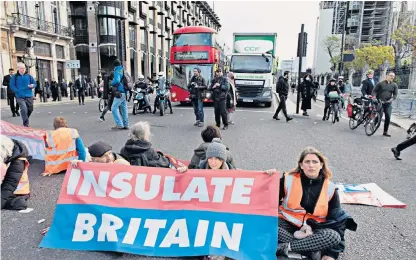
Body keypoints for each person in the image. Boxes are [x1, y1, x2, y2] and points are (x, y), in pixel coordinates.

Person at [275, 147, 357, 260]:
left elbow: (338, 222)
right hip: (286, 224)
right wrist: (268, 178)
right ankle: (309, 249)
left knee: (333, 236)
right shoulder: (287, 179)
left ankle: (283, 248)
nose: (311, 165)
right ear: (301, 165)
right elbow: (267, 200)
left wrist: (332, 254)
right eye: (307, 162)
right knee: (267, 225)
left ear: (321, 165)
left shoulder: (330, 188)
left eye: (315, 162)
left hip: (313, 229)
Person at [1, 136, 30, 210]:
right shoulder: (8, 147)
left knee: (17, 202)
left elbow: (10, 184)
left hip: (17, 192)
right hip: (6, 185)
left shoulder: (18, 162)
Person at [9, 62, 36, 127]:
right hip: (20, 96)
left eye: (24, 68)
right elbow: (11, 85)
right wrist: (17, 91)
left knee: (30, 109)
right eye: (21, 68)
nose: (23, 69)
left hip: (29, 95)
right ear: (18, 68)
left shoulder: (29, 76)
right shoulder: (14, 77)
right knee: (24, 109)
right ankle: (26, 124)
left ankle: (25, 118)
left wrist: (33, 85)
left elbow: (35, 83)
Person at [372, 71, 398, 137]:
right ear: (387, 76)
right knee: (379, 116)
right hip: (380, 102)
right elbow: (374, 91)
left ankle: (385, 132)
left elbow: (395, 95)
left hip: (388, 103)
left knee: (388, 117)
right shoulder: (380, 83)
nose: (392, 77)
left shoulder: (394, 85)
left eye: (393, 76)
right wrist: (374, 97)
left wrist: (391, 100)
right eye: (391, 75)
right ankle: (373, 126)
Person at [111, 59, 129, 130]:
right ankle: (126, 124)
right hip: (125, 92)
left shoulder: (117, 70)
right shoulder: (123, 70)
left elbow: (117, 81)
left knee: (113, 108)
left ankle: (119, 124)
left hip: (119, 92)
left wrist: (111, 83)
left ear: (114, 65)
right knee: (124, 109)